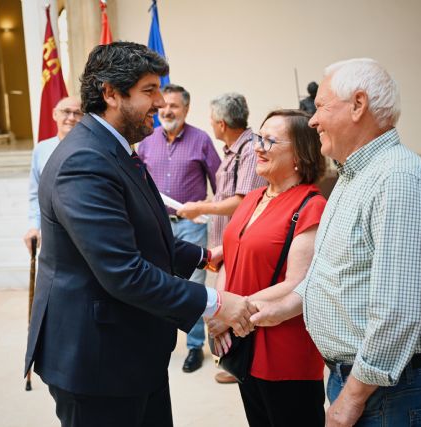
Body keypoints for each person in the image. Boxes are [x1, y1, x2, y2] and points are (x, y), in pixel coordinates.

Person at [24, 41, 257, 427]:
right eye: (149, 91)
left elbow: (142, 230)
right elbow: (123, 271)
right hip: (96, 360)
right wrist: (215, 302)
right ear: (110, 93)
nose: (161, 103)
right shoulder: (85, 161)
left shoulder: (115, 148)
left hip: (128, 350)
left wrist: (204, 256)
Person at [251, 58, 421, 427]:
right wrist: (282, 310)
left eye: (322, 107)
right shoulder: (353, 176)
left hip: (388, 390)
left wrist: (352, 398)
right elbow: (332, 271)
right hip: (360, 380)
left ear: (358, 105)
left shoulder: (399, 180)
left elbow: (397, 310)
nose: (312, 120)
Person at [209, 109, 327, 426]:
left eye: (270, 140)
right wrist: (220, 308)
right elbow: (229, 259)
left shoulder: (310, 206)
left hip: (284, 350)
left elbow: (296, 282)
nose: (257, 147)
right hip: (244, 341)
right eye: (258, 137)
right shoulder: (253, 197)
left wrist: (232, 313)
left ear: (301, 154)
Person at [177, 92, 265, 384]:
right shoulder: (232, 151)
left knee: (236, 305)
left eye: (213, 120)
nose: (211, 125)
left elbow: (243, 202)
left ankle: (243, 366)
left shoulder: (250, 150)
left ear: (223, 123)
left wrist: (200, 207)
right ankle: (235, 364)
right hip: (225, 243)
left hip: (240, 243)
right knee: (225, 305)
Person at [138, 83, 221, 374]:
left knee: (193, 287)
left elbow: (220, 187)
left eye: (174, 106)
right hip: (156, 227)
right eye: (163, 106)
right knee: (155, 282)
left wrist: (210, 216)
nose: (167, 111)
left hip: (191, 227)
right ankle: (157, 340)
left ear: (186, 108)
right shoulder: (147, 141)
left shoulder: (201, 140)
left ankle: (195, 346)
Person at [23, 96, 82, 253]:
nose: (71, 118)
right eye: (66, 112)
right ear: (55, 114)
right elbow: (35, 194)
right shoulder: (41, 150)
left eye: (77, 113)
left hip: (85, 229)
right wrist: (34, 227)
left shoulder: (92, 148)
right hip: (53, 232)